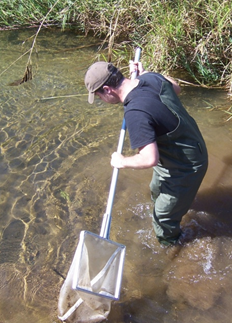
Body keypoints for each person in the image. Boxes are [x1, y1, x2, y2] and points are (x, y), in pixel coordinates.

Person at [84, 60, 208, 246]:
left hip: (187, 165)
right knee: (156, 190)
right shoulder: (151, 77)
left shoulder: (135, 112)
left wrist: (122, 161)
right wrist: (147, 73)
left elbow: (149, 158)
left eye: (99, 96)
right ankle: (175, 207)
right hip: (183, 148)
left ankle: (173, 247)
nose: (102, 100)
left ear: (108, 89)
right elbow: (177, 88)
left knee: (162, 219)